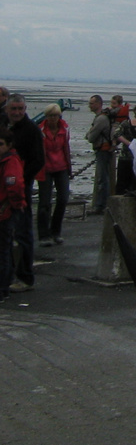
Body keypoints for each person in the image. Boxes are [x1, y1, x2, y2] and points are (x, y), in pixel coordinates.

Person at [5, 94, 44, 293]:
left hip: (21, 186)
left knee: (22, 232)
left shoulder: (31, 131)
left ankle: (25, 277)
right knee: (5, 234)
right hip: (3, 188)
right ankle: (7, 274)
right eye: (14, 109)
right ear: (7, 109)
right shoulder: (4, 127)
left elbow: (39, 160)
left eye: (21, 108)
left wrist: (22, 179)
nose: (18, 112)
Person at [37, 104, 73, 247]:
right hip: (45, 168)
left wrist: (69, 168)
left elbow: (66, 148)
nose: (53, 119)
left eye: (55, 115)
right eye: (50, 116)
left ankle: (56, 231)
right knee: (44, 202)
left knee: (63, 199)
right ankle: (44, 234)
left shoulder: (64, 129)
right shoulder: (40, 130)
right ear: (46, 117)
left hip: (61, 167)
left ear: (59, 116)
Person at [0, 130, 25, 303]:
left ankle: (2, 289)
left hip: (5, 211)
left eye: (0, 144)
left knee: (3, 251)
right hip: (6, 210)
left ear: (9, 145)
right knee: (5, 249)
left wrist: (16, 205)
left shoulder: (10, 161)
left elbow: (14, 184)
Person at [85, 95, 115, 214]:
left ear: (98, 104)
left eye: (92, 103)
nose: (90, 106)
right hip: (105, 149)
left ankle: (101, 205)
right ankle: (102, 204)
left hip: (103, 150)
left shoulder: (101, 119)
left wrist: (88, 135)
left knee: (103, 178)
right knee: (104, 177)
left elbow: (91, 137)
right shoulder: (103, 117)